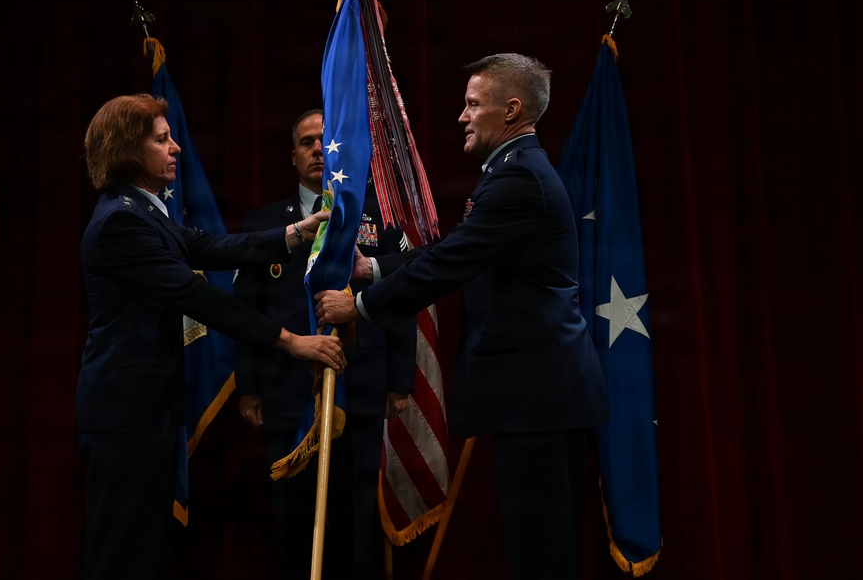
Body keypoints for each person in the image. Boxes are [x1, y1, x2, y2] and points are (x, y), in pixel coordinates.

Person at [314, 54, 610, 579]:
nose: (462, 115)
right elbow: (457, 249)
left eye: (473, 104)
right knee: (538, 551)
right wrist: (373, 268)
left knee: (542, 556)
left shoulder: (519, 179)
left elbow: (450, 262)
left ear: (510, 110)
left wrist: (358, 306)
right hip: (540, 398)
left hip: (539, 399)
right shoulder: (514, 171)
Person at [75, 93, 345, 580]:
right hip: (126, 414)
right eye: (162, 139)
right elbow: (197, 296)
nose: (175, 147)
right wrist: (289, 340)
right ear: (129, 150)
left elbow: (208, 246)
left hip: (149, 408)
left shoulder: (146, 211)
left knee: (146, 550)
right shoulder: (121, 220)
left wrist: (293, 235)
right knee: (123, 552)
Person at [232, 108, 416, 580]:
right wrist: (248, 385)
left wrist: (399, 379)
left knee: (357, 516)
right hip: (287, 389)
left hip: (361, 384)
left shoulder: (378, 217)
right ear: (292, 156)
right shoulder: (264, 224)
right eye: (306, 142)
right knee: (292, 517)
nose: (318, 149)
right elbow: (247, 310)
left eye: (325, 140)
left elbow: (401, 298)